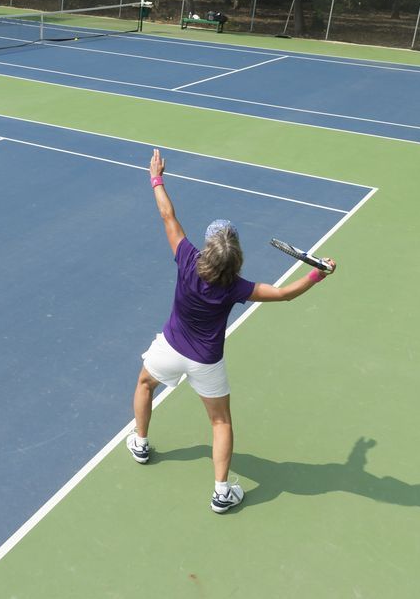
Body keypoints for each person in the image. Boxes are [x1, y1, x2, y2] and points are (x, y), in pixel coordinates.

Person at [127, 149, 336, 513]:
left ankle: (140, 443)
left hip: (171, 348)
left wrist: (156, 178)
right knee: (220, 421)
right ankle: (221, 493)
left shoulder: (188, 259)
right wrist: (318, 273)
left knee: (145, 384)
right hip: (206, 362)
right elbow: (285, 293)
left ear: (208, 249)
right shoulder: (237, 287)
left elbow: (167, 214)